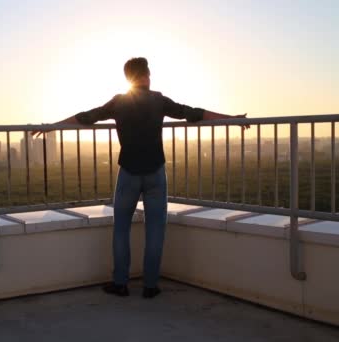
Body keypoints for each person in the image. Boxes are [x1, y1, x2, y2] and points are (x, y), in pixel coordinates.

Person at [33, 57, 247, 298]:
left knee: (121, 229)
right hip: (155, 171)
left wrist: (52, 126)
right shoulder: (159, 100)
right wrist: (232, 118)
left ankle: (121, 283)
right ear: (147, 75)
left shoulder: (119, 102)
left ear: (128, 78)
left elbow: (86, 116)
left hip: (129, 172)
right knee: (156, 231)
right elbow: (193, 113)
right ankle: (150, 286)